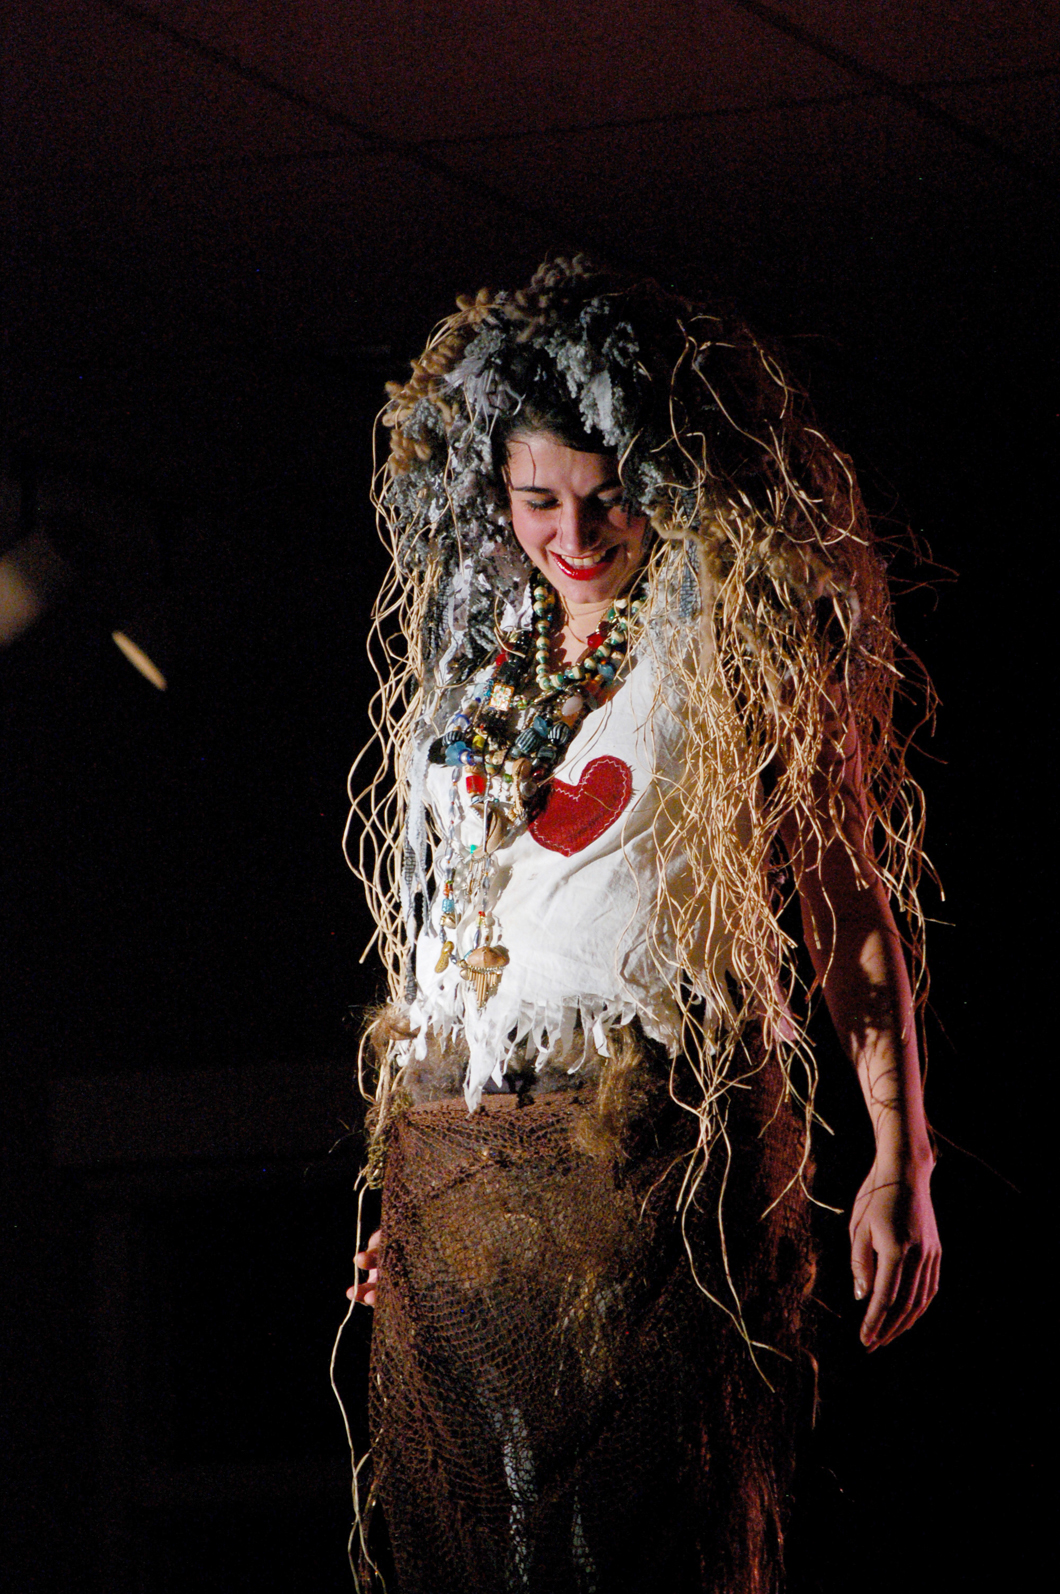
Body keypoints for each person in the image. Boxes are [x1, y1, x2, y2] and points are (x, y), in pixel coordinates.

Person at [340, 257, 940, 1594]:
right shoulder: (484, 666)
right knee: (478, 1541)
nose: (575, 533)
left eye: (608, 495)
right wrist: (414, 1204)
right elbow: (455, 929)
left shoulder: (727, 646)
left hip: (644, 1138)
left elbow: (844, 898)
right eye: (537, 500)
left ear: (663, 478)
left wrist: (900, 1154)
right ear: (495, 493)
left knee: (634, 1538)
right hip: (462, 1152)